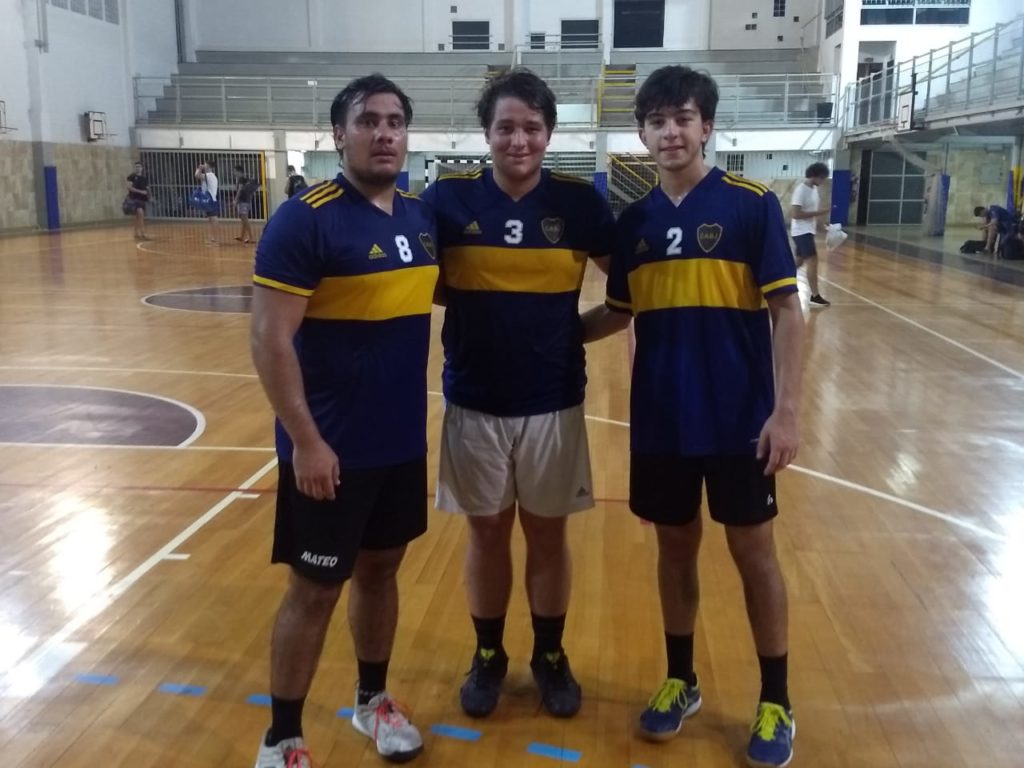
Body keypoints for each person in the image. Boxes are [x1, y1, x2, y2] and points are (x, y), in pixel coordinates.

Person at [581, 65, 805, 768]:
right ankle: (682, 679)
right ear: (642, 134)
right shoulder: (634, 224)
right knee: (674, 551)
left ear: (706, 126)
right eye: (657, 121)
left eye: (683, 118)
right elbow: (618, 314)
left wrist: (786, 411)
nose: (670, 132)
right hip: (662, 422)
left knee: (754, 555)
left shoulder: (750, 205)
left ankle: (776, 700)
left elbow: (788, 312)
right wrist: (542, 335)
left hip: (740, 421)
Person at [250, 74, 437, 768]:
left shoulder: (420, 219)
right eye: (368, 121)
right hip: (328, 449)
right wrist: (305, 441)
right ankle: (283, 738)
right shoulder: (306, 219)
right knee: (315, 588)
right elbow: (269, 339)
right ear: (340, 134)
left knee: (382, 571)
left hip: (398, 443)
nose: (383, 133)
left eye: (395, 121)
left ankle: (372, 701)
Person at [420, 69, 614, 721]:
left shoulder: (580, 204)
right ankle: (488, 654)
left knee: (548, 537)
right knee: (486, 535)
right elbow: (423, 280)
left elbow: (629, 294)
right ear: (487, 133)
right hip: (473, 399)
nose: (519, 139)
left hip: (552, 401)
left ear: (549, 133)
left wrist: (573, 334)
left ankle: (550, 656)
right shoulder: (447, 200)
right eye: (506, 127)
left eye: (532, 127)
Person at [790, 162, 831, 308]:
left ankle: (779, 283)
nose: (823, 181)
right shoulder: (801, 190)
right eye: (822, 178)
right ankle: (815, 296)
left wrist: (824, 225)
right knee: (812, 261)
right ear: (815, 175)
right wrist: (819, 213)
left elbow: (811, 212)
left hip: (808, 231)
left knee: (799, 262)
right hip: (801, 232)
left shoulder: (814, 190)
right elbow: (795, 214)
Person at [195, 159, 220, 244]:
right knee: (210, 219)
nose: (203, 166)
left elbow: (197, 176)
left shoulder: (209, 175)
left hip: (210, 200)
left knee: (213, 219)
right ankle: (212, 238)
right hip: (210, 199)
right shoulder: (210, 176)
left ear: (208, 166)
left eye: (205, 164)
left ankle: (216, 238)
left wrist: (199, 168)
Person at [126, 161, 150, 240]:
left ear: (142, 168)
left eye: (139, 167)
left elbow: (147, 188)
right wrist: (140, 191)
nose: (138, 168)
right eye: (136, 167)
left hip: (142, 199)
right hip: (134, 199)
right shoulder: (131, 177)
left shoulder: (144, 178)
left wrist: (150, 196)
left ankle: (136, 233)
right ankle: (143, 233)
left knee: (138, 217)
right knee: (141, 214)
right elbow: (129, 187)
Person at [234, 164, 258, 244]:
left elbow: (240, 190)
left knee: (245, 219)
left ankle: (251, 237)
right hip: (247, 201)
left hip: (242, 201)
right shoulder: (247, 179)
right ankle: (242, 236)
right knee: (243, 219)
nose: (234, 173)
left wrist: (236, 199)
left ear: (239, 171)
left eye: (235, 171)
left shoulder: (241, 179)